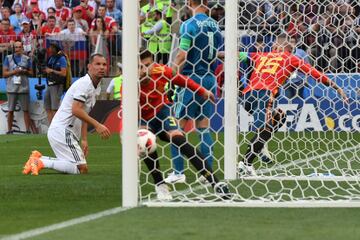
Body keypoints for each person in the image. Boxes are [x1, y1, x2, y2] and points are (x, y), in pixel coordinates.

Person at [230, 34, 349, 176]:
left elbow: (234, 54)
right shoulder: (291, 58)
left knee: (280, 117)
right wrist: (337, 87)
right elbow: (315, 74)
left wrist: (212, 55)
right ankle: (246, 162)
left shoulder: (260, 55)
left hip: (247, 96)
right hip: (265, 94)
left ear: (275, 47)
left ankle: (257, 148)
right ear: (290, 49)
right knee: (264, 128)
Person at [134, 50, 229, 200]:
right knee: (146, 141)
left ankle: (215, 183)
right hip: (143, 119)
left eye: (148, 65)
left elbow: (182, 79)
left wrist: (202, 90)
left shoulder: (160, 71)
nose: (146, 69)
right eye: (141, 66)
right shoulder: (129, 85)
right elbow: (124, 111)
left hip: (162, 111)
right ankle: (161, 185)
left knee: (180, 140)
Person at [22, 53, 111, 176]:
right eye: (98, 64)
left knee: (76, 168)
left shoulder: (96, 86)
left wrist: (84, 139)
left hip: (66, 132)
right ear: (89, 66)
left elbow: (83, 113)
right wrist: (97, 125)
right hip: (63, 131)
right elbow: (76, 110)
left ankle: (38, 159)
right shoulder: (85, 84)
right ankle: (40, 161)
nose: (101, 67)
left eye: (104, 64)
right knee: (81, 169)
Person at [166, 0, 223, 184]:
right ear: (206, 2)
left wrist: (170, 75)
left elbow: (182, 54)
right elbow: (214, 53)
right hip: (209, 79)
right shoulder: (215, 26)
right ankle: (206, 174)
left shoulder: (188, 25)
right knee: (203, 128)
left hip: (190, 80)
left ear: (189, 2)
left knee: (176, 128)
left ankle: (178, 172)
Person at [3, 40, 34, 134]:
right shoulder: (8, 58)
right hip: (12, 88)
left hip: (23, 88)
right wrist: (14, 72)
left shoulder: (27, 58)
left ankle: (28, 130)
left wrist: (24, 71)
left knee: (26, 110)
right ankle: (9, 130)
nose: (17, 49)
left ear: (22, 48)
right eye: (16, 47)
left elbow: (32, 73)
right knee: (10, 110)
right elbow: (4, 73)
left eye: (19, 47)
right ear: (13, 48)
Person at [43, 43, 67, 124]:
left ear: (55, 49)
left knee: (55, 108)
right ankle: (51, 126)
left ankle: (56, 126)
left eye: (51, 48)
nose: (50, 49)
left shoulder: (62, 59)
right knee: (47, 107)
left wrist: (52, 71)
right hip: (50, 84)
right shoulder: (50, 58)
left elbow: (64, 73)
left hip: (57, 85)